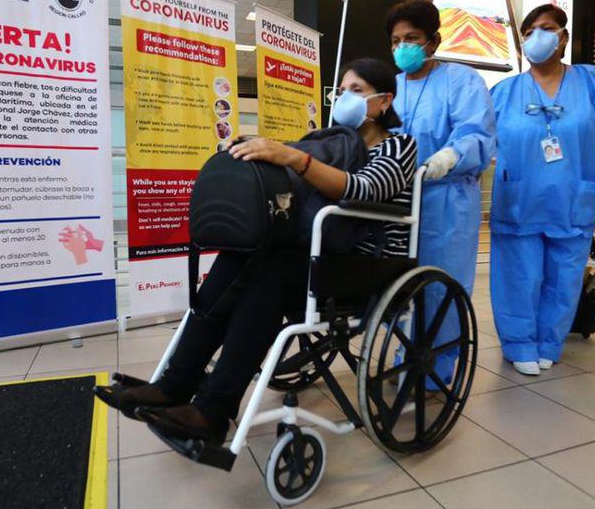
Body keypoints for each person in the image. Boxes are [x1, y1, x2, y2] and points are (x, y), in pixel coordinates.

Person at [96, 58, 418, 444]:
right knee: (239, 254)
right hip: (321, 253)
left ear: (384, 102)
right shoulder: (333, 141)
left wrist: (295, 158)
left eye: (357, 91)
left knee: (271, 272)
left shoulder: (401, 145)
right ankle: (175, 384)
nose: (345, 98)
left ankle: (213, 409)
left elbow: (362, 190)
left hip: (367, 263)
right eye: (341, 90)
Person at [489, 4, 595, 376]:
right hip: (519, 199)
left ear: (563, 38)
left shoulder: (592, 82)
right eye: (528, 32)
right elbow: (478, 141)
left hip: (571, 196)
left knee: (564, 276)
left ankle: (549, 342)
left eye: (545, 29)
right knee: (519, 274)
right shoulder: (503, 92)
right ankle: (519, 343)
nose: (535, 37)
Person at [385, 0, 495, 387]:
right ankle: (399, 356)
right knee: (392, 287)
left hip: (445, 199)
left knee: (438, 286)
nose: (403, 48)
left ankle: (433, 371)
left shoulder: (461, 81)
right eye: (396, 40)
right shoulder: (388, 87)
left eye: (411, 38)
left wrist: (452, 154)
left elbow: (477, 132)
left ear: (433, 41)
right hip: (393, 200)